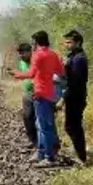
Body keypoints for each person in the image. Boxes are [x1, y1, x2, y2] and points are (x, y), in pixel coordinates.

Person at [9, 30, 64, 167]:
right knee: (43, 124)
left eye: (33, 42)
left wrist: (17, 74)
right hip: (50, 93)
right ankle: (41, 153)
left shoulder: (37, 55)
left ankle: (49, 158)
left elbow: (31, 73)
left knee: (44, 127)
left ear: (36, 42)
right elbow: (61, 72)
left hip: (40, 93)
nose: (32, 45)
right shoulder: (53, 54)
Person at [56, 29, 89, 164]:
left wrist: (62, 99)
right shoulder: (73, 56)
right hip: (73, 95)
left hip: (76, 97)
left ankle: (81, 157)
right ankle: (80, 154)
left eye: (69, 42)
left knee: (73, 126)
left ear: (78, 42)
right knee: (72, 126)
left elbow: (74, 83)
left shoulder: (79, 59)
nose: (67, 45)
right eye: (66, 42)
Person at [16, 43, 38, 150]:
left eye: (23, 54)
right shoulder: (21, 63)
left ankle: (44, 145)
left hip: (39, 94)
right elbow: (23, 74)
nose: (21, 56)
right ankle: (32, 140)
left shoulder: (37, 60)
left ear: (30, 52)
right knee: (27, 117)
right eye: (19, 54)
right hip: (27, 93)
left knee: (40, 119)